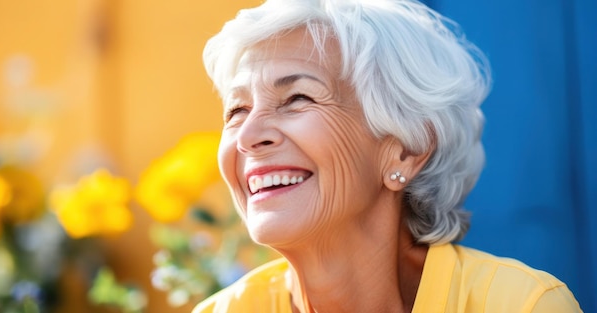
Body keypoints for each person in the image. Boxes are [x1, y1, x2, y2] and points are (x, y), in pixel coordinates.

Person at [195, 0, 583, 312]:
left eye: (298, 98)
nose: (247, 136)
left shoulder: (521, 305)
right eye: (236, 111)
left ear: (405, 150)